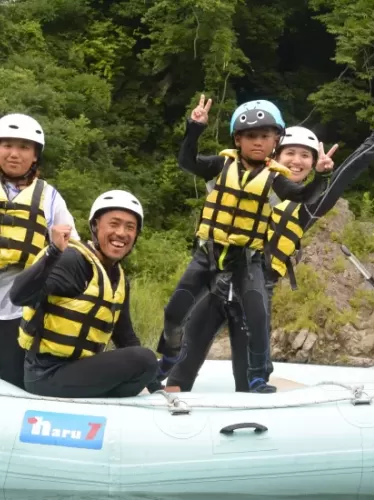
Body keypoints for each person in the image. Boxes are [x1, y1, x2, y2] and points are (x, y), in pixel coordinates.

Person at [165, 110, 374, 392]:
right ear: (275, 154)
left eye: (306, 156)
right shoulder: (239, 176)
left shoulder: (309, 204)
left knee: (249, 380)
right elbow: (193, 162)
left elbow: (344, 175)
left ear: (315, 163)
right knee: (183, 367)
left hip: (253, 292)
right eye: (290, 153)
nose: (297, 161)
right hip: (215, 286)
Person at [154, 95, 331, 394]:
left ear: (276, 140)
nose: (258, 142)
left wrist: (323, 176)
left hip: (246, 261)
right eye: (251, 136)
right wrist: (194, 128)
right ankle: (168, 356)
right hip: (208, 255)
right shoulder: (221, 165)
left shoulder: (276, 180)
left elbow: (304, 196)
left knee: (258, 317)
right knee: (175, 311)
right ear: (238, 139)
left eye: (265, 136)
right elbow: (187, 161)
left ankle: (257, 378)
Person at [10, 190, 158, 398]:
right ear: (95, 226)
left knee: (144, 364)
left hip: (79, 369)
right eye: (114, 224)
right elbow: (19, 296)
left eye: (130, 227)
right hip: (46, 373)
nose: (122, 233)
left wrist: (157, 388)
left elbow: (125, 337)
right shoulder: (73, 261)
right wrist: (53, 253)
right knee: (145, 360)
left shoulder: (118, 278)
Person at [0, 113, 79, 389]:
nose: (14, 154)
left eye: (23, 147)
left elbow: (73, 249)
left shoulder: (49, 196)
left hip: (19, 305)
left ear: (35, 156)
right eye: (7, 145)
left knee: (12, 377)